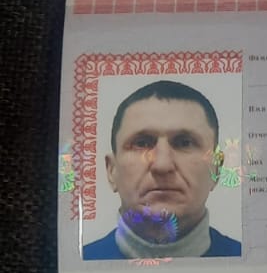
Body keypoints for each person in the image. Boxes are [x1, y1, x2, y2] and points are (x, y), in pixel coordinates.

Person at [83, 79, 242, 259]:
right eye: (142, 143)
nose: (162, 165)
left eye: (184, 143)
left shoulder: (250, 262)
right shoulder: (78, 263)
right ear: (112, 171)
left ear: (216, 169)